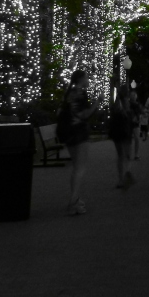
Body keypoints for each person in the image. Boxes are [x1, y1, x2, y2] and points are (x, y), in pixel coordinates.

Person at [60, 68, 96, 216]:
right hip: (79, 134)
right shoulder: (80, 93)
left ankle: (75, 198)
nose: (88, 80)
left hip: (68, 134)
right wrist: (96, 103)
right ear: (81, 79)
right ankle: (73, 202)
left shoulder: (68, 93)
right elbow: (83, 114)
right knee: (80, 168)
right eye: (87, 77)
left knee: (76, 168)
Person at [108, 91, 136, 190]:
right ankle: (127, 173)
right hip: (125, 133)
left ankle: (120, 179)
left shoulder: (115, 107)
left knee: (120, 156)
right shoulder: (127, 106)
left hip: (116, 134)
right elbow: (131, 121)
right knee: (127, 154)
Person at [129, 90, 142, 159]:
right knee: (129, 139)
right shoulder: (128, 104)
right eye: (132, 95)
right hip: (129, 123)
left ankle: (136, 154)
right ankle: (129, 153)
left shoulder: (137, 104)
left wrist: (138, 119)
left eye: (134, 95)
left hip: (136, 123)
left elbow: (139, 113)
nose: (133, 96)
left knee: (137, 139)